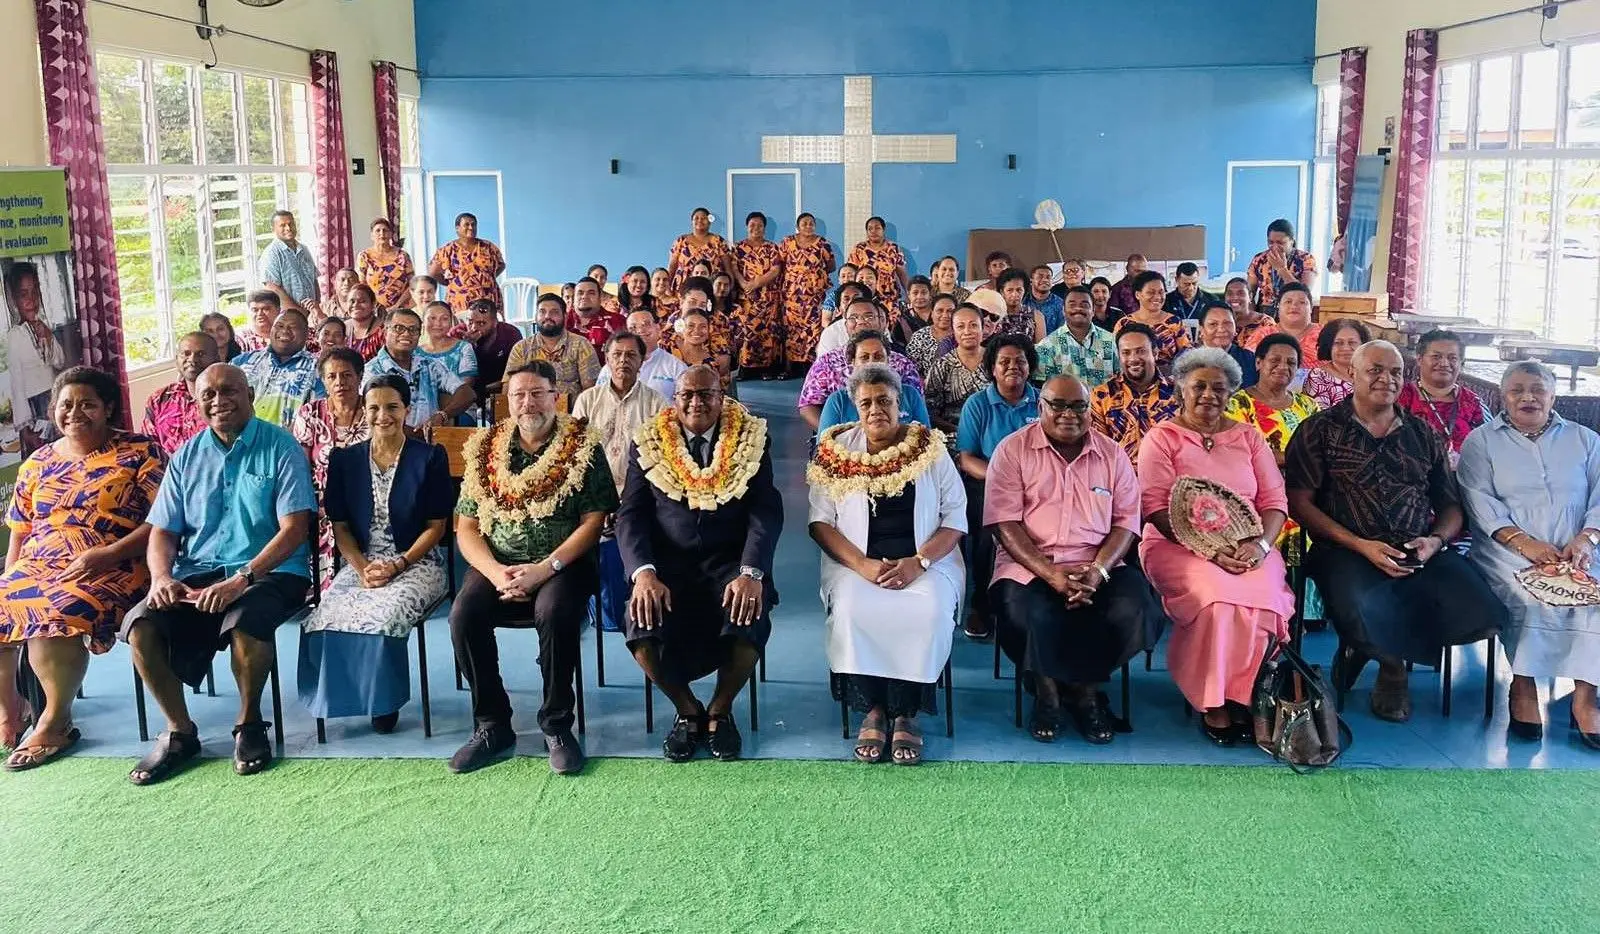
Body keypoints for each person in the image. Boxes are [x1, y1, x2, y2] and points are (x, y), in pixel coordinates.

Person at [1286, 341, 1507, 723]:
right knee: (1364, 605)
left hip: (1417, 546)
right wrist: (1361, 545)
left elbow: (1451, 505)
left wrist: (1434, 542)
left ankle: (1365, 646)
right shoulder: (1319, 429)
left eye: (1395, 372)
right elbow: (1300, 503)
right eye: (1375, 370)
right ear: (1352, 373)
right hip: (1345, 548)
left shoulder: (1422, 433)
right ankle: (1392, 668)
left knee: (1481, 612)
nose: (1386, 379)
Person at [120, 363, 316, 784]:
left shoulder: (281, 447)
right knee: (141, 625)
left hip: (270, 571)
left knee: (247, 619)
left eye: (229, 391)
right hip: (198, 572)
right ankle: (179, 731)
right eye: (208, 395)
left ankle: (248, 723)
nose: (219, 401)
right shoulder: (186, 457)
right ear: (197, 403)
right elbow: (163, 531)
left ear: (249, 394)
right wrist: (161, 577)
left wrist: (241, 578)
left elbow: (294, 529)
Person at [448, 362, 616, 775]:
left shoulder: (583, 445)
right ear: (507, 401)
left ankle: (556, 726)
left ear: (556, 397)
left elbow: (594, 521)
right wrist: (494, 572)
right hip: (497, 563)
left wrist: (545, 568)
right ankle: (492, 724)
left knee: (554, 612)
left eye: (537, 393)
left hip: (562, 563)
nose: (528, 403)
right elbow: (466, 526)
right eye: (519, 395)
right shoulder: (485, 448)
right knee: (464, 615)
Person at [0, 368, 166, 768]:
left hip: (113, 566)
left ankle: (56, 722)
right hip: (38, 565)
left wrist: (108, 555)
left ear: (108, 408)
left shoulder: (140, 452)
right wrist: (9, 578)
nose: (75, 413)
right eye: (66, 405)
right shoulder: (37, 463)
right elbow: (20, 531)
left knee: (55, 611)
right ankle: (10, 714)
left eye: (87, 404)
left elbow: (163, 521)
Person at [619, 366, 782, 762]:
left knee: (750, 613)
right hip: (667, 566)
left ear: (722, 397)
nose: (696, 403)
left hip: (731, 562)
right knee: (640, 623)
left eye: (706, 394)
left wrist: (751, 572)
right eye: (687, 395)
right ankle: (687, 709)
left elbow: (765, 511)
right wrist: (643, 573)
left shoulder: (752, 438)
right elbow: (631, 515)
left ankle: (720, 710)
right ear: (674, 399)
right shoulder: (647, 441)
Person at [809, 364, 965, 764]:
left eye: (884, 401)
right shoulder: (836, 450)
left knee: (928, 609)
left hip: (925, 560)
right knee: (852, 609)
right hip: (857, 563)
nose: (876, 409)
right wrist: (861, 565)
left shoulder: (929, 447)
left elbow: (955, 517)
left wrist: (919, 562)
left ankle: (907, 713)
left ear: (900, 403)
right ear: (854, 407)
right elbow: (820, 522)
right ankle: (874, 709)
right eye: (866, 403)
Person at [1138, 348, 1295, 744]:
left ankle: (1245, 692)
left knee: (1262, 601)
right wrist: (1208, 550)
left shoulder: (1248, 437)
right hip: (1178, 546)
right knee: (1218, 602)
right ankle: (1213, 699)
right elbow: (1154, 507)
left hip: (1248, 546)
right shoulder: (1163, 438)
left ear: (1231, 393)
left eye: (1219, 388)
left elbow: (1275, 501)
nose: (1209, 395)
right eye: (1199, 386)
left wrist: (1261, 547)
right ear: (1181, 390)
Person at [988, 375, 1155, 743]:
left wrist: (1097, 571)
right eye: (1058, 406)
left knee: (1136, 607)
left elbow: (1126, 523)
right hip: (1030, 565)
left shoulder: (1112, 454)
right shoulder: (1012, 450)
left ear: (1090, 410)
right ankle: (1047, 693)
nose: (1069, 414)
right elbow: (1004, 523)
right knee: (1028, 612)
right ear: (1040, 407)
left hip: (1098, 564)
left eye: (1079, 406)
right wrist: (1051, 574)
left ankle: (1085, 692)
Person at [1458, 361, 1600, 746]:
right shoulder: (1482, 442)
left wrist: (1586, 539)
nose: (1528, 397)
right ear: (1502, 397)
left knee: (1593, 596)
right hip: (1507, 549)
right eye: (1517, 390)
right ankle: (1523, 685)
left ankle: (1586, 697)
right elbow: (1478, 501)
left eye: (1538, 389)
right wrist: (1525, 544)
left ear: (1553, 396)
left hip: (1578, 546)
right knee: (1530, 597)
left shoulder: (1585, 440)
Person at [301, 375, 450, 734]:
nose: (383, 416)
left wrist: (398, 564)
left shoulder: (429, 457)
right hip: (362, 561)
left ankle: (383, 703)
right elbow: (340, 527)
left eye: (392, 407)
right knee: (325, 614)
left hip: (418, 561)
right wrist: (363, 567)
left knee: (385, 616)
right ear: (364, 411)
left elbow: (436, 528)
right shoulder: (345, 460)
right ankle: (341, 697)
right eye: (374, 408)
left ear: (407, 409)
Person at [574, 332, 666, 635]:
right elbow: (576, 461)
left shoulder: (656, 403)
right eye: (617, 355)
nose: (623, 361)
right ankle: (593, 604)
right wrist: (599, 506)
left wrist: (626, 505)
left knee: (632, 528)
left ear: (642, 361)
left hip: (639, 499)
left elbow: (659, 465)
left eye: (631, 355)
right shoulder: (587, 401)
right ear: (606, 358)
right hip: (594, 500)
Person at [955, 334, 1040, 640]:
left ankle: (1035, 596)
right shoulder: (978, 404)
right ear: (992, 368)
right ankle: (982, 604)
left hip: (1038, 483)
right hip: (989, 482)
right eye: (1004, 361)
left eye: (1020, 361)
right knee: (987, 531)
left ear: (1030, 367)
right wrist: (1004, 481)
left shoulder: (1043, 402)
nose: (1012, 366)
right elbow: (967, 459)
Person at [1225, 333, 1320, 569]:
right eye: (1275, 360)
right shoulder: (1238, 404)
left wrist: (1288, 460)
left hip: (1305, 496)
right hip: (1256, 499)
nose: (1283, 367)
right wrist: (1295, 459)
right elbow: (1242, 455)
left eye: (1291, 362)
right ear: (1259, 363)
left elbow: (1321, 452)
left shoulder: (1308, 405)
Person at [291, 347, 371, 588]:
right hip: (320, 499)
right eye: (332, 376)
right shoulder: (310, 414)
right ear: (324, 381)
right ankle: (324, 586)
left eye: (347, 375)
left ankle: (364, 576)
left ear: (359, 376)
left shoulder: (374, 411)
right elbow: (300, 469)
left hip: (367, 496)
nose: (339, 382)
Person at [797, 298, 923, 431]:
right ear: (846, 324)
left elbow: (915, 404)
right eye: (854, 317)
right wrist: (835, 435)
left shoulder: (903, 364)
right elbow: (808, 406)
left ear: (881, 321)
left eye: (869, 316)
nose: (861, 321)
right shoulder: (827, 363)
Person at [364, 308, 475, 430]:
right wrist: (418, 436)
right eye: (399, 328)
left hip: (431, 438)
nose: (406, 334)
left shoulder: (429, 365)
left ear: (419, 335)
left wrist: (442, 415)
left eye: (413, 329)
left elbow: (468, 393)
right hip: (390, 438)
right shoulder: (372, 370)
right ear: (385, 332)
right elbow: (375, 417)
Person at [1090, 322, 1180, 467]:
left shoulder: (1179, 392)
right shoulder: (1102, 395)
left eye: (1141, 351)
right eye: (1126, 353)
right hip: (1120, 475)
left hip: (1171, 473)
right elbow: (1098, 447)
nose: (1133, 358)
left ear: (1155, 353)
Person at [1396, 329, 1488, 468]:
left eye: (1452, 358)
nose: (1444, 363)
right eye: (1436, 356)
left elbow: (1488, 446)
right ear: (1419, 359)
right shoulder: (1400, 398)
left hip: (1463, 477)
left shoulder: (1473, 403)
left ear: (1461, 362)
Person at [818, 330, 932, 432]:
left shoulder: (910, 395)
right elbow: (825, 445)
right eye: (864, 357)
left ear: (888, 360)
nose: (872, 362)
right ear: (853, 362)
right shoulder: (838, 401)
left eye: (878, 357)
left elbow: (926, 439)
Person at [234, 308, 319, 429]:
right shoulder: (242, 362)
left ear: (306, 334)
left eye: (293, 327)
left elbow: (321, 412)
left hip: (290, 439)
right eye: (279, 326)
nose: (284, 331)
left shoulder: (318, 368)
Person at [506, 293, 600, 399]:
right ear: (536, 316)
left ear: (565, 316)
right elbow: (508, 388)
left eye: (554, 312)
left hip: (572, 408)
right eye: (542, 312)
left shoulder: (581, 345)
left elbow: (590, 391)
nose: (547, 316)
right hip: (530, 406)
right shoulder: (521, 348)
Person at [143, 331, 220, 455]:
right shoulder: (159, 399)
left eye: (201, 354)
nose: (192, 359)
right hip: (166, 466)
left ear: (216, 359)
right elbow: (148, 445)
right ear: (177, 359)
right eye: (186, 354)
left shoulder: (225, 398)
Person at [777, 213, 836, 375]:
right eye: (804, 223)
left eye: (811, 223)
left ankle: (810, 367)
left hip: (814, 296)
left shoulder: (822, 243)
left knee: (813, 330)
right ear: (797, 226)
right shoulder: (787, 242)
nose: (808, 226)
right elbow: (779, 265)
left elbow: (831, 266)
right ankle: (790, 367)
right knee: (791, 329)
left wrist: (813, 275)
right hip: (792, 295)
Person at [731, 212, 785, 378]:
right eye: (752, 225)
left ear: (765, 228)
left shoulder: (772, 248)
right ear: (747, 227)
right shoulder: (738, 248)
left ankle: (767, 369)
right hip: (746, 298)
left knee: (767, 334)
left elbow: (775, 270)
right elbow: (734, 268)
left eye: (760, 225)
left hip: (768, 298)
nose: (756, 228)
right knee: (746, 331)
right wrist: (744, 284)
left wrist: (756, 283)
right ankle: (745, 368)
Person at [923, 305, 989, 438]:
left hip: (993, 432)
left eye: (973, 325)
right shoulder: (942, 366)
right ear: (953, 331)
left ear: (983, 328)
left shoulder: (996, 361)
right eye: (960, 326)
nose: (967, 331)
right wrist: (963, 432)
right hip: (954, 435)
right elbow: (930, 413)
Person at [1034, 285, 1119, 386]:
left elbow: (1121, 379)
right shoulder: (1046, 347)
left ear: (1093, 311)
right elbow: (1041, 388)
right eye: (1072, 305)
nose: (1078, 308)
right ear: (1063, 311)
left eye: (1084, 305)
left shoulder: (1111, 341)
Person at [428, 212, 506, 314]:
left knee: (492, 323)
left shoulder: (488, 247)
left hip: (488, 298)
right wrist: (451, 283)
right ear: (457, 228)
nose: (471, 228)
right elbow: (433, 272)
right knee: (462, 324)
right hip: (460, 301)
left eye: (473, 224)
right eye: (466, 224)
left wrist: (486, 277)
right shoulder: (448, 250)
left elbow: (501, 265)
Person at [1113, 270, 1192, 372]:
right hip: (1133, 377)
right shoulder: (1124, 324)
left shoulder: (1174, 322)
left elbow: (1187, 353)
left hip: (1169, 378)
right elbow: (1115, 357)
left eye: (1161, 292)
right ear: (1138, 295)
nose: (1157, 297)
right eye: (1151, 292)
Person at [604, 310, 687, 400]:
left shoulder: (676, 367)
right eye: (633, 327)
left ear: (658, 328)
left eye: (646, 324)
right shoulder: (611, 367)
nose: (640, 330)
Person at [1247, 218, 1318, 310]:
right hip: (1264, 312)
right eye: (1270, 242)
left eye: (1280, 243)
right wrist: (1251, 315)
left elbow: (1304, 293)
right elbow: (1249, 295)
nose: (1275, 247)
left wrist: (1282, 269)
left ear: (1292, 241)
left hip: (1293, 310)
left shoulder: (1306, 259)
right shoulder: (1259, 259)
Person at [848, 216, 910, 317]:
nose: (873, 231)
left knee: (890, 324)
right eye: (870, 229)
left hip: (889, 297)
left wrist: (909, 293)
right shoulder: (859, 249)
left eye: (877, 228)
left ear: (883, 230)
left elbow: (902, 274)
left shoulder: (893, 248)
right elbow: (852, 272)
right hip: (865, 296)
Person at [258, 210, 319, 311]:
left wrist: (317, 307)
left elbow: (314, 280)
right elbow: (273, 289)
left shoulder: (304, 249)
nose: (288, 228)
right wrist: (299, 312)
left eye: (291, 224)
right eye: (283, 225)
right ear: (273, 229)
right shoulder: (271, 254)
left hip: (312, 313)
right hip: (290, 315)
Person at [463, 298, 523, 399]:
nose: (473, 328)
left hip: (502, 387)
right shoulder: (458, 334)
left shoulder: (510, 334)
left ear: (495, 323)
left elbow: (517, 372)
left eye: (481, 323)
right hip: (469, 391)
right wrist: (466, 347)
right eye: (470, 322)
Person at [1305, 318, 1371, 409]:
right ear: (1328, 346)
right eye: (1338, 343)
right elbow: (1319, 414)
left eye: (1352, 342)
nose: (1346, 348)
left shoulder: (1373, 374)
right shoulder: (1318, 376)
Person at [667, 206, 733, 294]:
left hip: (713, 289)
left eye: (704, 218)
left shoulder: (718, 241)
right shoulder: (681, 241)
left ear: (709, 222)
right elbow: (672, 266)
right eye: (696, 218)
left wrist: (731, 289)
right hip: (683, 289)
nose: (700, 221)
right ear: (692, 222)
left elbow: (728, 268)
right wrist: (667, 288)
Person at [356, 217, 414, 312]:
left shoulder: (402, 256)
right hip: (372, 309)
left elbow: (413, 283)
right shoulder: (365, 256)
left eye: (385, 230)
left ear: (390, 234)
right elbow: (361, 285)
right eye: (378, 231)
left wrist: (397, 306)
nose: (382, 234)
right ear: (372, 236)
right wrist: (374, 306)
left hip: (400, 307)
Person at [667, 307, 731, 390]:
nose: (697, 331)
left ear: (709, 330)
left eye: (703, 326)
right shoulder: (667, 348)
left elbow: (717, 393)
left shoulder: (714, 363)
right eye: (690, 326)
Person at [419, 300, 480, 386]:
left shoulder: (463, 348)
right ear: (423, 322)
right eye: (432, 318)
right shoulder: (414, 352)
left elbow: (466, 385)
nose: (438, 323)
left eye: (444, 319)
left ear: (451, 322)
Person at [1197, 304, 1258, 389]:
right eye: (1213, 324)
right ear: (1201, 330)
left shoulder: (1250, 359)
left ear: (1235, 328)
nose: (1221, 329)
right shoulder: (1187, 359)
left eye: (1227, 323)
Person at [567, 276, 627, 357]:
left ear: (600, 297)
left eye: (591, 293)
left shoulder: (619, 321)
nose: (584, 296)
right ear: (574, 298)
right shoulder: (561, 322)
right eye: (580, 293)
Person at [813, 282, 871, 358]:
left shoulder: (878, 325)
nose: (851, 302)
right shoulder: (831, 332)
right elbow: (825, 363)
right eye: (846, 299)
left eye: (856, 298)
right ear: (839, 308)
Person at [905, 292, 958, 375]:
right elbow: (913, 371)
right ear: (932, 313)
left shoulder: (963, 336)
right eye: (940, 311)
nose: (945, 315)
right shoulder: (920, 336)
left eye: (950, 311)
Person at [1271, 282, 1322, 366]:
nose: (1294, 306)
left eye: (1302, 302)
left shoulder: (1326, 334)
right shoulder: (1262, 335)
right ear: (1278, 306)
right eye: (1288, 302)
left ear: (1311, 308)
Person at [995, 268, 1047, 341]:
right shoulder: (993, 316)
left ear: (1024, 291)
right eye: (1010, 290)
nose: (1015, 294)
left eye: (1019, 290)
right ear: (1002, 292)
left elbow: (1042, 346)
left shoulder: (1036, 316)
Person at [1225, 277, 1277, 351]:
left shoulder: (1265, 322)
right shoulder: (1220, 322)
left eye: (1240, 293)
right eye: (1230, 293)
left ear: (1250, 296)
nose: (1235, 297)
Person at [344, 284, 387, 361]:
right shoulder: (342, 328)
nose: (356, 305)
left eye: (362, 301)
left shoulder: (384, 331)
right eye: (352, 301)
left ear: (373, 304)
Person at [894, 275, 936, 347]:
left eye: (924, 292)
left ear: (930, 294)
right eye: (915, 293)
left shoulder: (939, 315)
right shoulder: (903, 319)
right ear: (909, 295)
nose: (919, 297)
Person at [1024, 264, 1065, 334]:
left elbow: (1063, 332)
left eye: (1048, 277)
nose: (1045, 280)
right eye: (1040, 277)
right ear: (1031, 281)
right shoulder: (1023, 302)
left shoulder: (1060, 304)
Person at [1108, 254, 1147, 321]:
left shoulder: (1150, 288)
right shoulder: (1117, 289)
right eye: (1137, 271)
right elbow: (1113, 315)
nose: (1141, 275)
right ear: (1127, 269)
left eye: (1144, 272)